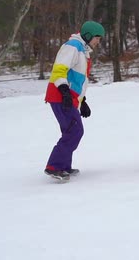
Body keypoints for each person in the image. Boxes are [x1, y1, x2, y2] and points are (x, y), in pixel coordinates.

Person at [44, 20, 105, 181]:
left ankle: (64, 166)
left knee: (70, 130)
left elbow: (78, 80)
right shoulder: (73, 46)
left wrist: (82, 100)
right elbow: (59, 70)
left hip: (69, 96)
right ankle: (54, 167)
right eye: (97, 38)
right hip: (60, 95)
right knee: (75, 130)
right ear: (88, 35)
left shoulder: (82, 51)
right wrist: (63, 91)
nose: (98, 41)